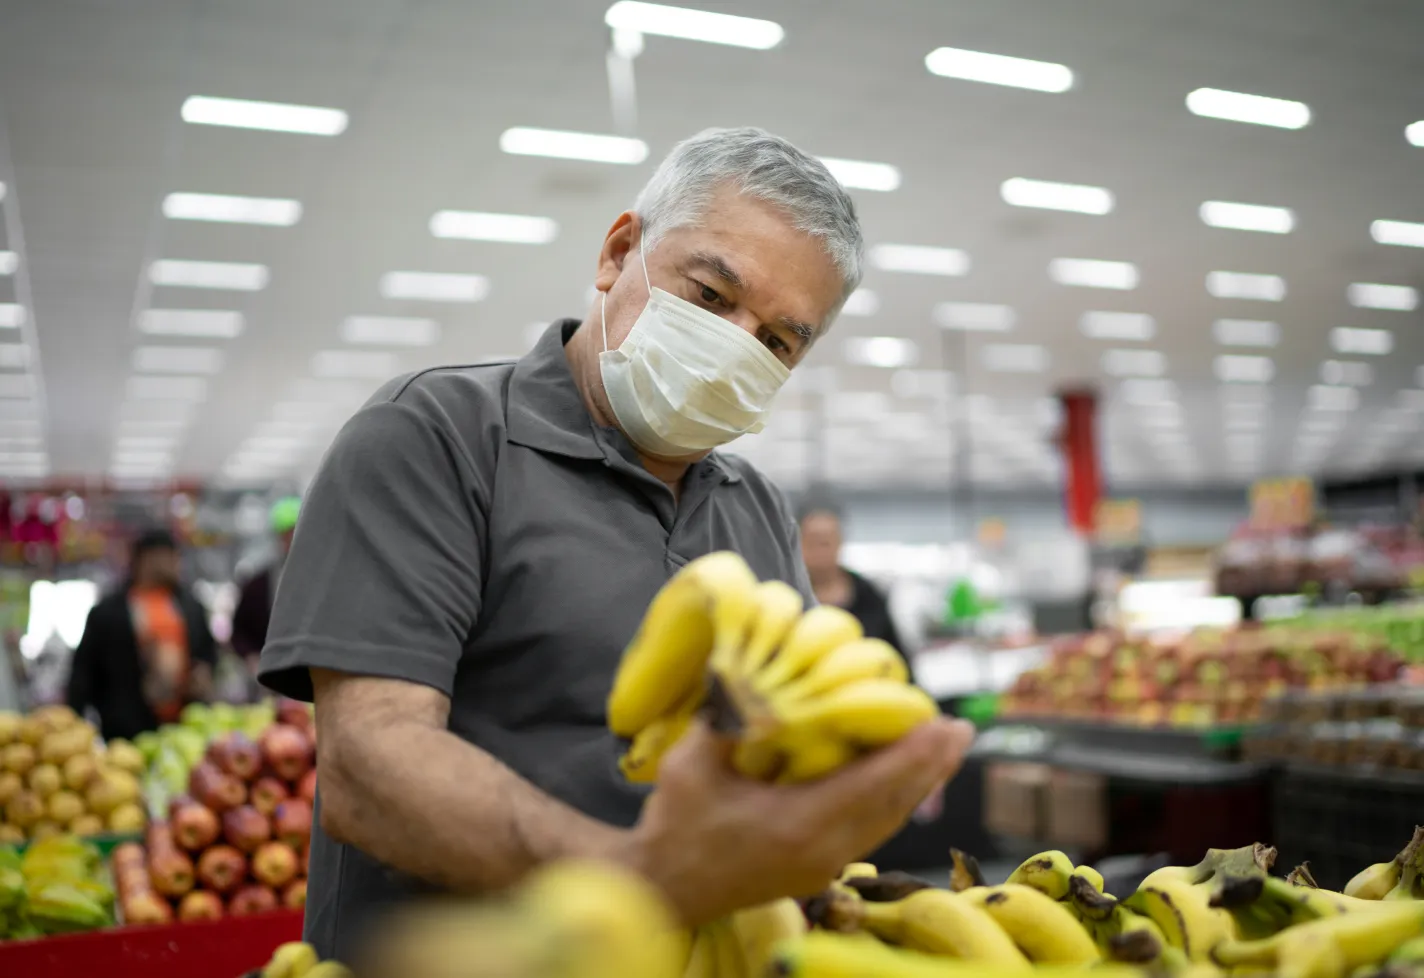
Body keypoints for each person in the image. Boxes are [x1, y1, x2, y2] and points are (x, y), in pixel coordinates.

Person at [257, 127, 974, 960]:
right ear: (619, 252)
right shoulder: (433, 437)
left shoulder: (757, 512)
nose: (733, 348)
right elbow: (371, 767)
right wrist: (640, 878)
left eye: (777, 340)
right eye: (710, 297)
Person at [66, 528, 217, 740]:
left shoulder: (190, 607)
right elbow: (83, 673)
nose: (175, 564)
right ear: (144, 559)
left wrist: (203, 673)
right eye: (167, 556)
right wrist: (74, 723)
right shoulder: (109, 611)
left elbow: (207, 652)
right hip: (125, 727)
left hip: (184, 727)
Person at [798, 505, 911, 670]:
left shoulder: (870, 598)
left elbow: (896, 658)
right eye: (813, 542)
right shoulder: (784, 598)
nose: (820, 551)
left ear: (840, 542)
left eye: (826, 542)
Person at [230, 497, 301, 664]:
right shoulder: (258, 586)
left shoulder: (322, 582)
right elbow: (239, 632)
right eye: (286, 534)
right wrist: (251, 656)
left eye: (295, 532)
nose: (291, 540)